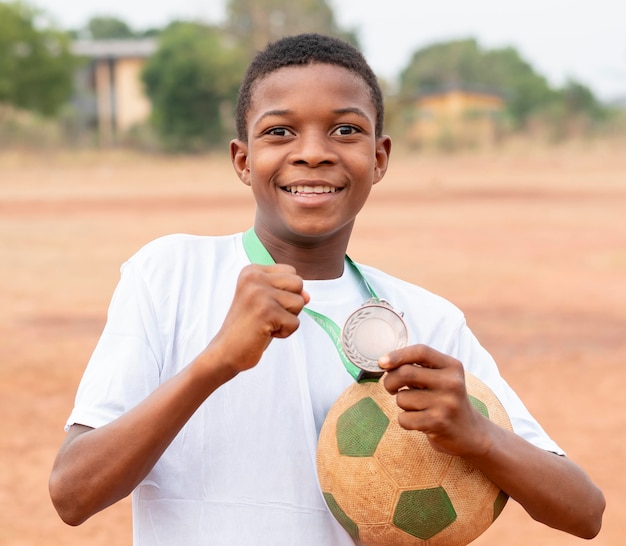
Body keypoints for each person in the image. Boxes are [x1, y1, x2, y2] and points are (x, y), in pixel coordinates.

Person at [49, 33, 604, 545]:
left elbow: (583, 512)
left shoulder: (428, 320)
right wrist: (215, 362)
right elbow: (74, 494)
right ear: (243, 160)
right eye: (279, 131)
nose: (313, 152)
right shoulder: (169, 274)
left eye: (345, 129)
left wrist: (479, 434)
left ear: (379, 157)